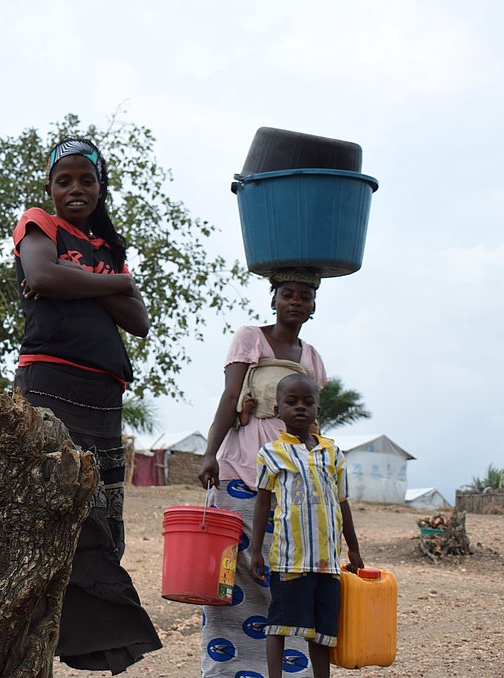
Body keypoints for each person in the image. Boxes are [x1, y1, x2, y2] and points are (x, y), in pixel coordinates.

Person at [12, 138, 161, 674]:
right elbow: (43, 276)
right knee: (61, 514)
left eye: (86, 181)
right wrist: (115, 282)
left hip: (104, 394)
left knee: (102, 519)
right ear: (50, 188)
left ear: (101, 187)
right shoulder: (39, 225)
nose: (75, 190)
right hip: (51, 383)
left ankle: (89, 642)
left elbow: (138, 322)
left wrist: (92, 279)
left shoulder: (105, 245)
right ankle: (52, 635)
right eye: (64, 181)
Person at [197, 269, 327, 677]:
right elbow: (230, 396)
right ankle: (227, 668)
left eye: (304, 297)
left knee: (288, 575)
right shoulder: (250, 337)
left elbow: (314, 424)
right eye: (287, 294)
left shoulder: (312, 358)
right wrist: (209, 453)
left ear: (313, 306)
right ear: (273, 299)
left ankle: (290, 670)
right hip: (242, 472)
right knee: (232, 574)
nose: (295, 302)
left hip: (292, 483)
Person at [250, 373, 363, 678]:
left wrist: (353, 548)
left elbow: (343, 503)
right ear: (277, 411)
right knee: (279, 624)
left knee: (321, 631)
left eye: (308, 401)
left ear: (317, 410)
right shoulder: (271, 454)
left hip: (327, 562)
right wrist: (255, 551)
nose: (300, 407)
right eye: (291, 401)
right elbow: (262, 504)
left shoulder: (333, 454)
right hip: (290, 561)